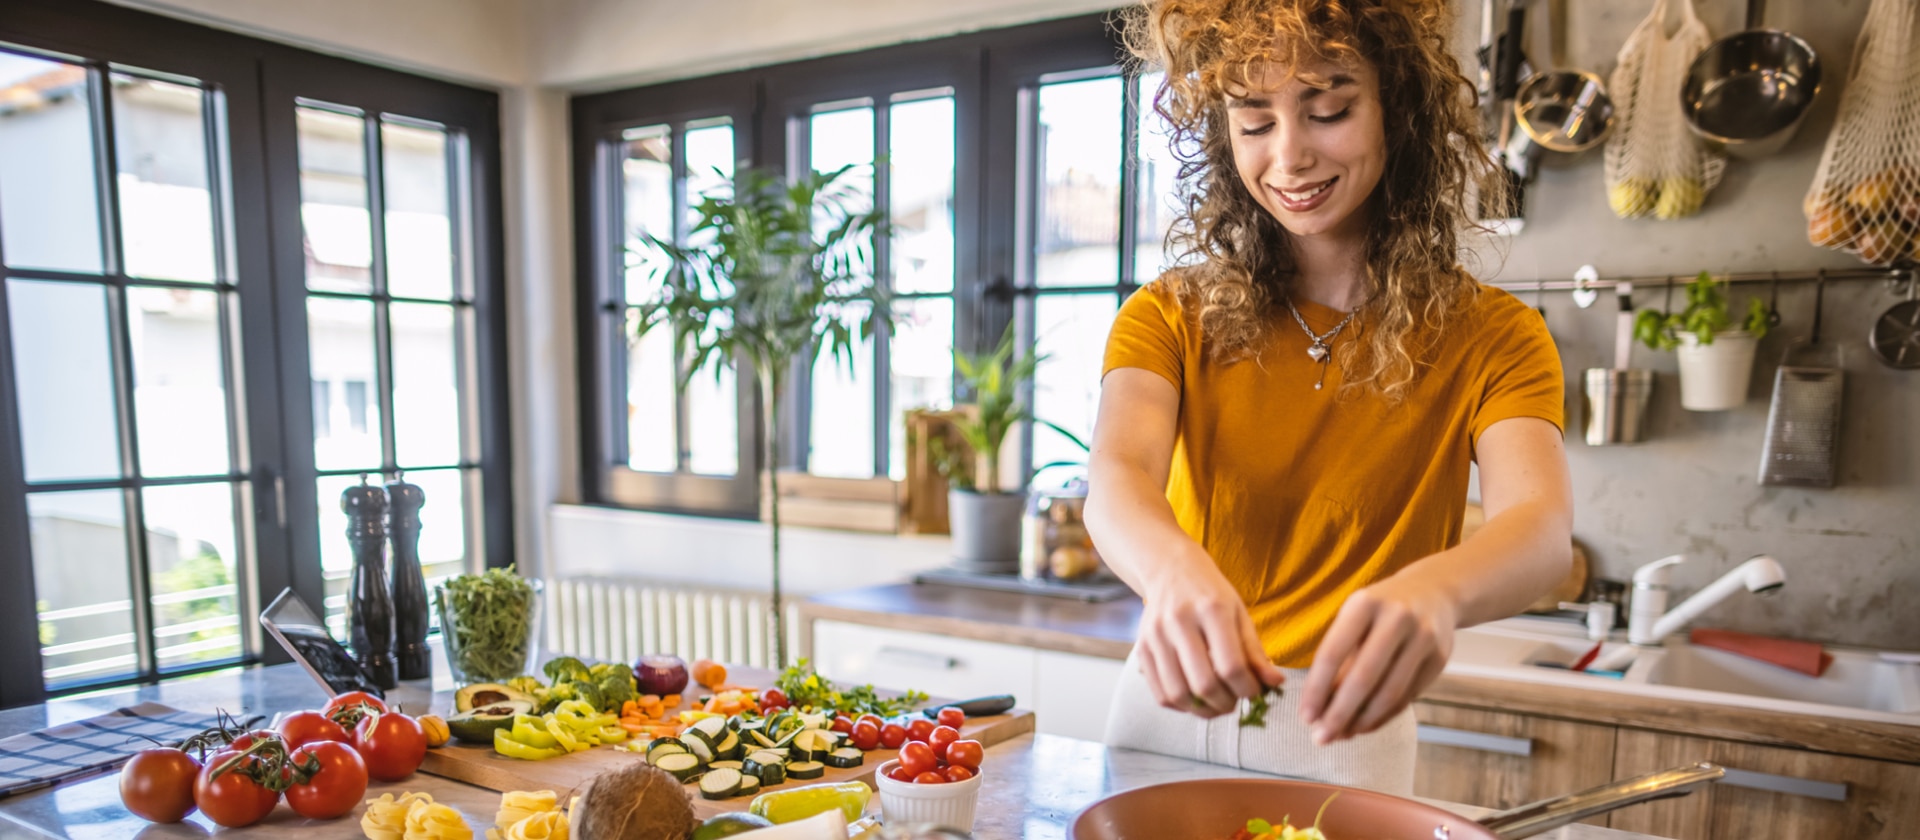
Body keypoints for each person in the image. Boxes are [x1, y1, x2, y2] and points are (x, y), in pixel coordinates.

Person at [1087, 0, 1574, 794]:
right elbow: (1118, 479)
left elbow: (1541, 529)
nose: (1290, 158)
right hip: (1166, 703)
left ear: (1399, 112)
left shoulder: (1496, 336)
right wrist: (1173, 574)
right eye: (1253, 122)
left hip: (1348, 726)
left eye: (1329, 110)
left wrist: (1437, 592)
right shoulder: (1169, 314)